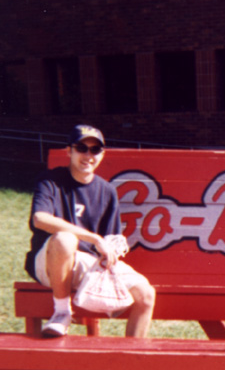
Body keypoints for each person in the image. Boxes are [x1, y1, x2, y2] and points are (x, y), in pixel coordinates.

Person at [24, 124, 156, 338]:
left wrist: (109, 254)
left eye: (95, 150)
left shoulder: (106, 190)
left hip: (86, 264)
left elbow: (111, 240)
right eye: (81, 148)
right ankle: (62, 313)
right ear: (69, 151)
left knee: (146, 295)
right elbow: (40, 219)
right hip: (49, 263)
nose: (88, 155)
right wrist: (92, 238)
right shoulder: (50, 180)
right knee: (65, 239)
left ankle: (132, 364)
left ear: (102, 154)